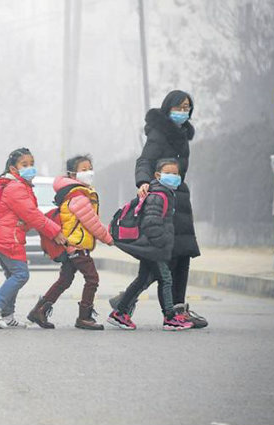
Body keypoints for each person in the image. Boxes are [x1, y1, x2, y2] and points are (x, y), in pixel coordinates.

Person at [111, 90, 208, 328]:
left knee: (182, 255)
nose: (183, 111)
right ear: (168, 108)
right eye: (179, 107)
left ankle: (176, 308)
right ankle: (137, 306)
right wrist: (144, 182)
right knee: (160, 260)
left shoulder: (183, 135)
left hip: (179, 198)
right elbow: (144, 160)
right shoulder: (159, 134)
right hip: (162, 198)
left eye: (187, 108)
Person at [0, 148, 66, 329]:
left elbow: (27, 217)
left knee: (12, 274)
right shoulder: (15, 187)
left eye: (31, 164)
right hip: (8, 238)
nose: (30, 168)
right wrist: (55, 231)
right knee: (21, 274)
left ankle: (8, 315)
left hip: (5, 235)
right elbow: (32, 215)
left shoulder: (17, 186)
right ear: (13, 169)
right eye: (24, 165)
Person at [27, 154, 113, 330]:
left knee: (65, 280)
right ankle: (84, 317)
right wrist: (108, 238)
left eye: (90, 168)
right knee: (92, 279)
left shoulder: (77, 192)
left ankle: (40, 310)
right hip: (77, 245)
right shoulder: (78, 196)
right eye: (84, 169)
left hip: (72, 245)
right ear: (72, 174)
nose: (89, 172)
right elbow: (91, 222)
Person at [108, 159, 194, 331]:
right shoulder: (158, 195)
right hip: (154, 248)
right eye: (168, 173)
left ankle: (120, 312)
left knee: (143, 280)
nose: (173, 177)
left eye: (176, 174)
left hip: (153, 247)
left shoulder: (166, 193)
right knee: (166, 279)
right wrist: (161, 243)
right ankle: (170, 318)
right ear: (157, 175)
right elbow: (151, 223)